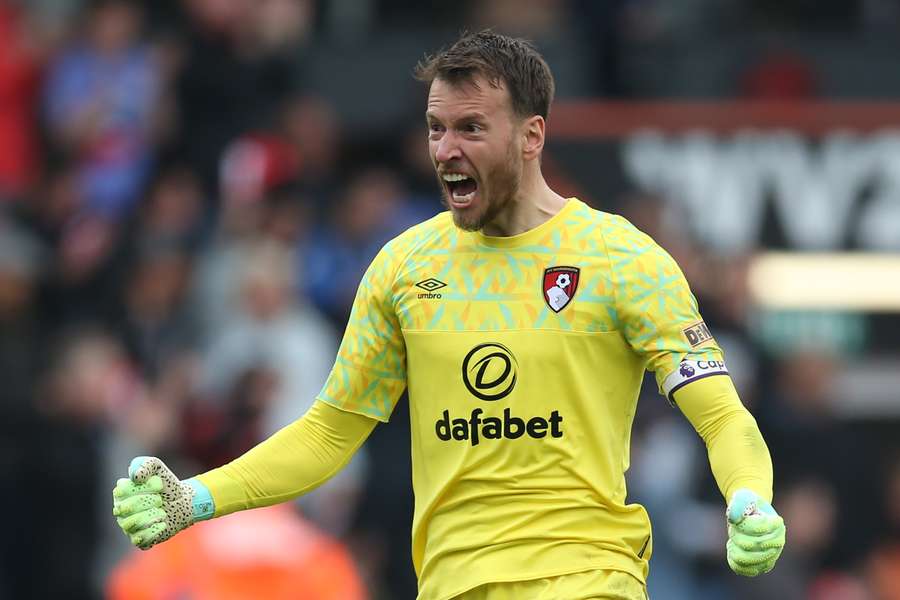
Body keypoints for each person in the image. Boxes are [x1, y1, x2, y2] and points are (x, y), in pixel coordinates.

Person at [112, 31, 786, 600]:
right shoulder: (405, 268)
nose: (445, 150)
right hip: (451, 584)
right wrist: (195, 499)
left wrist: (749, 497)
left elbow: (722, 414)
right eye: (437, 129)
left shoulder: (623, 259)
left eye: (471, 128)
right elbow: (326, 436)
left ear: (531, 136)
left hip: (586, 577)